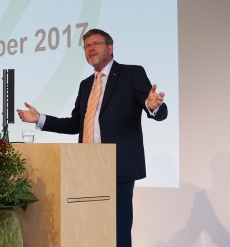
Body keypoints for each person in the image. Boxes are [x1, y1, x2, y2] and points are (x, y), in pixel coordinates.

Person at [17, 28, 167, 247]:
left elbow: (157, 109)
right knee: (88, 228)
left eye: (96, 43)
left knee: (118, 230)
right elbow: (74, 124)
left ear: (110, 47)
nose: (90, 49)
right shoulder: (86, 84)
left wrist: (152, 106)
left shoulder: (131, 74)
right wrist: (40, 118)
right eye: (86, 46)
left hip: (118, 166)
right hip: (85, 168)